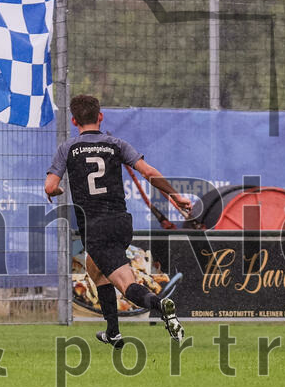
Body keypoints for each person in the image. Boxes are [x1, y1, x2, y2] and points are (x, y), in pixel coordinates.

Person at [45, 94, 193, 345]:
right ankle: (113, 332)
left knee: (125, 284)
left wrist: (57, 190)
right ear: (100, 117)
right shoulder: (116, 144)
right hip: (121, 222)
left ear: (73, 120)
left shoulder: (67, 148)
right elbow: (148, 172)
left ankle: (160, 305)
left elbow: (50, 186)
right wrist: (175, 196)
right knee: (94, 268)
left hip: (96, 227)